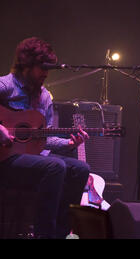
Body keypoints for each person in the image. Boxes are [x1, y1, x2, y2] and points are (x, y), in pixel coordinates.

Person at [0, 37, 90, 238]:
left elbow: (43, 137)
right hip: (4, 160)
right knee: (55, 166)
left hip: (29, 159)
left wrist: (68, 143)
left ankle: (60, 233)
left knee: (80, 168)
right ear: (26, 65)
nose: (46, 74)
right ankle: (44, 235)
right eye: (42, 67)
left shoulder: (44, 97)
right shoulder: (5, 85)